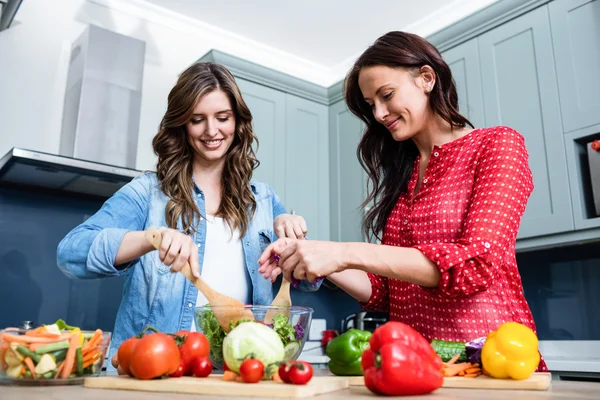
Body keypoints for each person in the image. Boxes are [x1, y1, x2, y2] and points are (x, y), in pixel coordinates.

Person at [258, 31, 547, 371]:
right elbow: (386, 291)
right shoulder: (404, 175)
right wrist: (319, 254)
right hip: (415, 370)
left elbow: (475, 264)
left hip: (491, 365)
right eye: (371, 105)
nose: (379, 113)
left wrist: (343, 252)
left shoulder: (496, 146)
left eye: (386, 95)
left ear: (426, 78)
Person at [56, 62, 312, 370]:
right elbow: (70, 253)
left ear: (237, 121)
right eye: (197, 119)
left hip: (236, 372)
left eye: (223, 117)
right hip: (159, 370)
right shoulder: (148, 192)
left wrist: (295, 243)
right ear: (182, 125)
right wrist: (152, 239)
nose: (212, 131)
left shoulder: (264, 200)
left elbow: (309, 280)